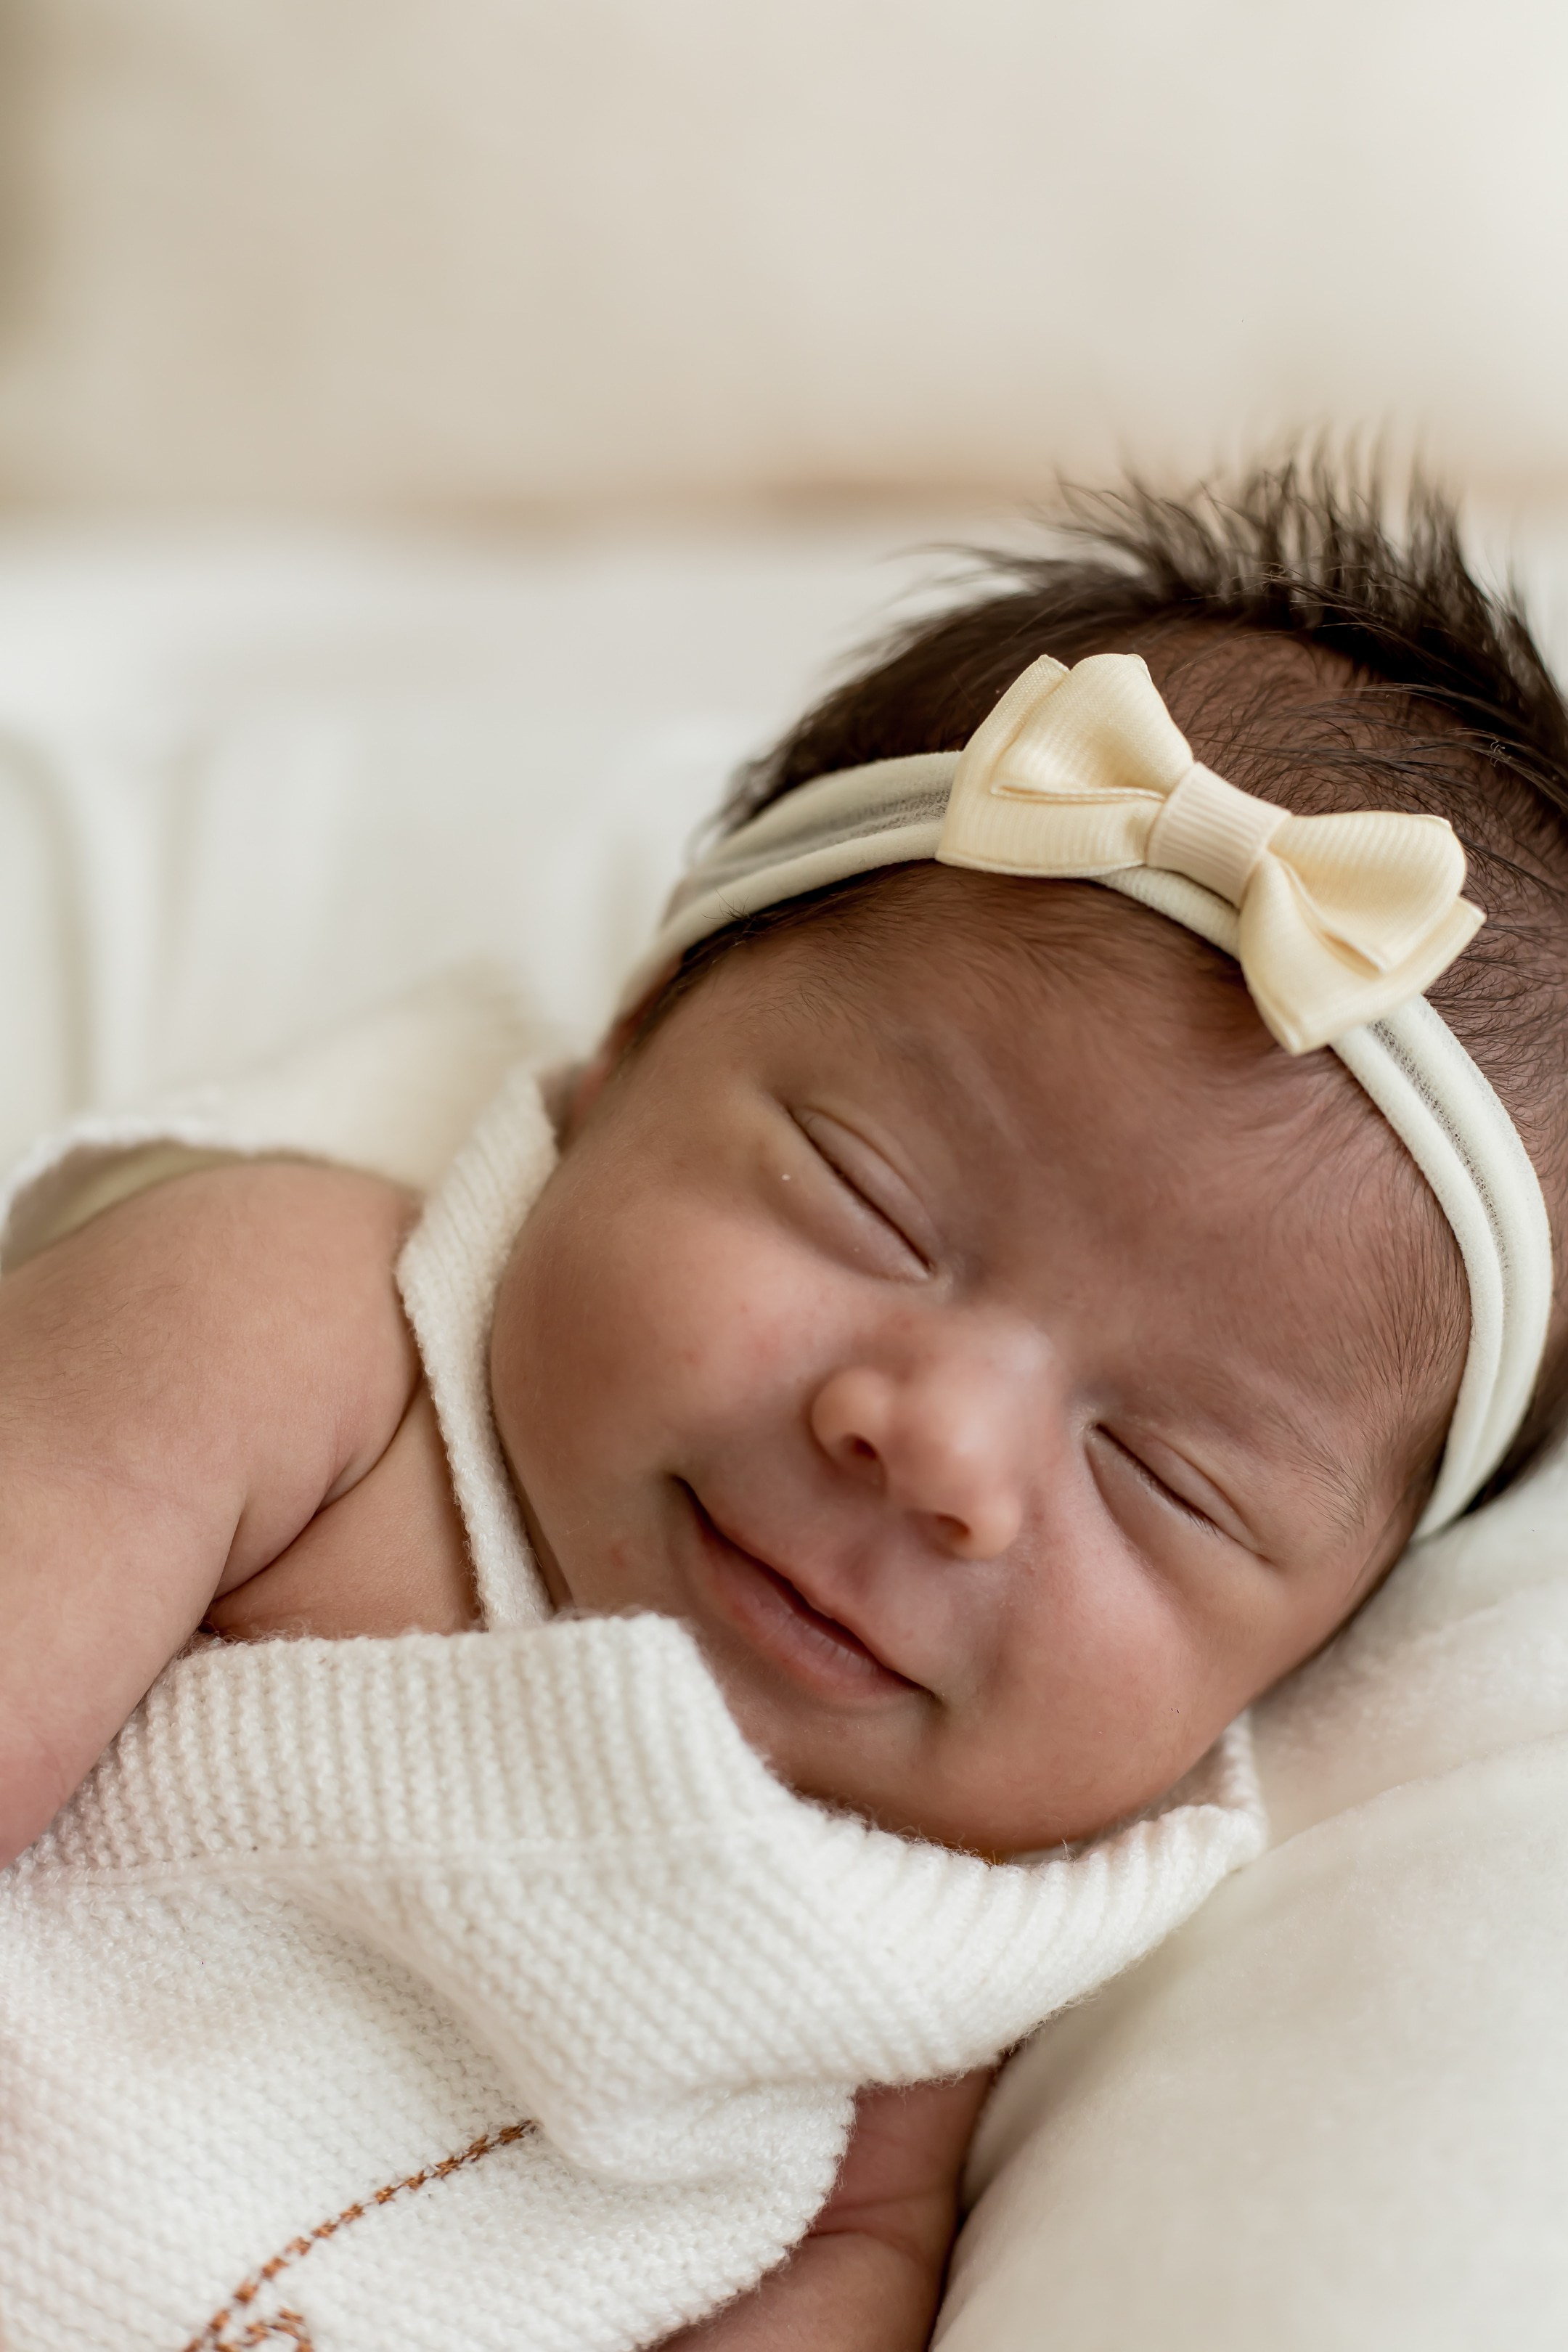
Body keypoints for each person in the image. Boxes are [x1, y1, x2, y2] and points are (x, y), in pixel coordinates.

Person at [2, 457, 1566, 2351]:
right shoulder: (310, 1324)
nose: (943, 1454)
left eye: (1164, 1476)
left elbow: (841, 2263)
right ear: (639, 1035)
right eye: (873, 1204)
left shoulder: (985, 1926)